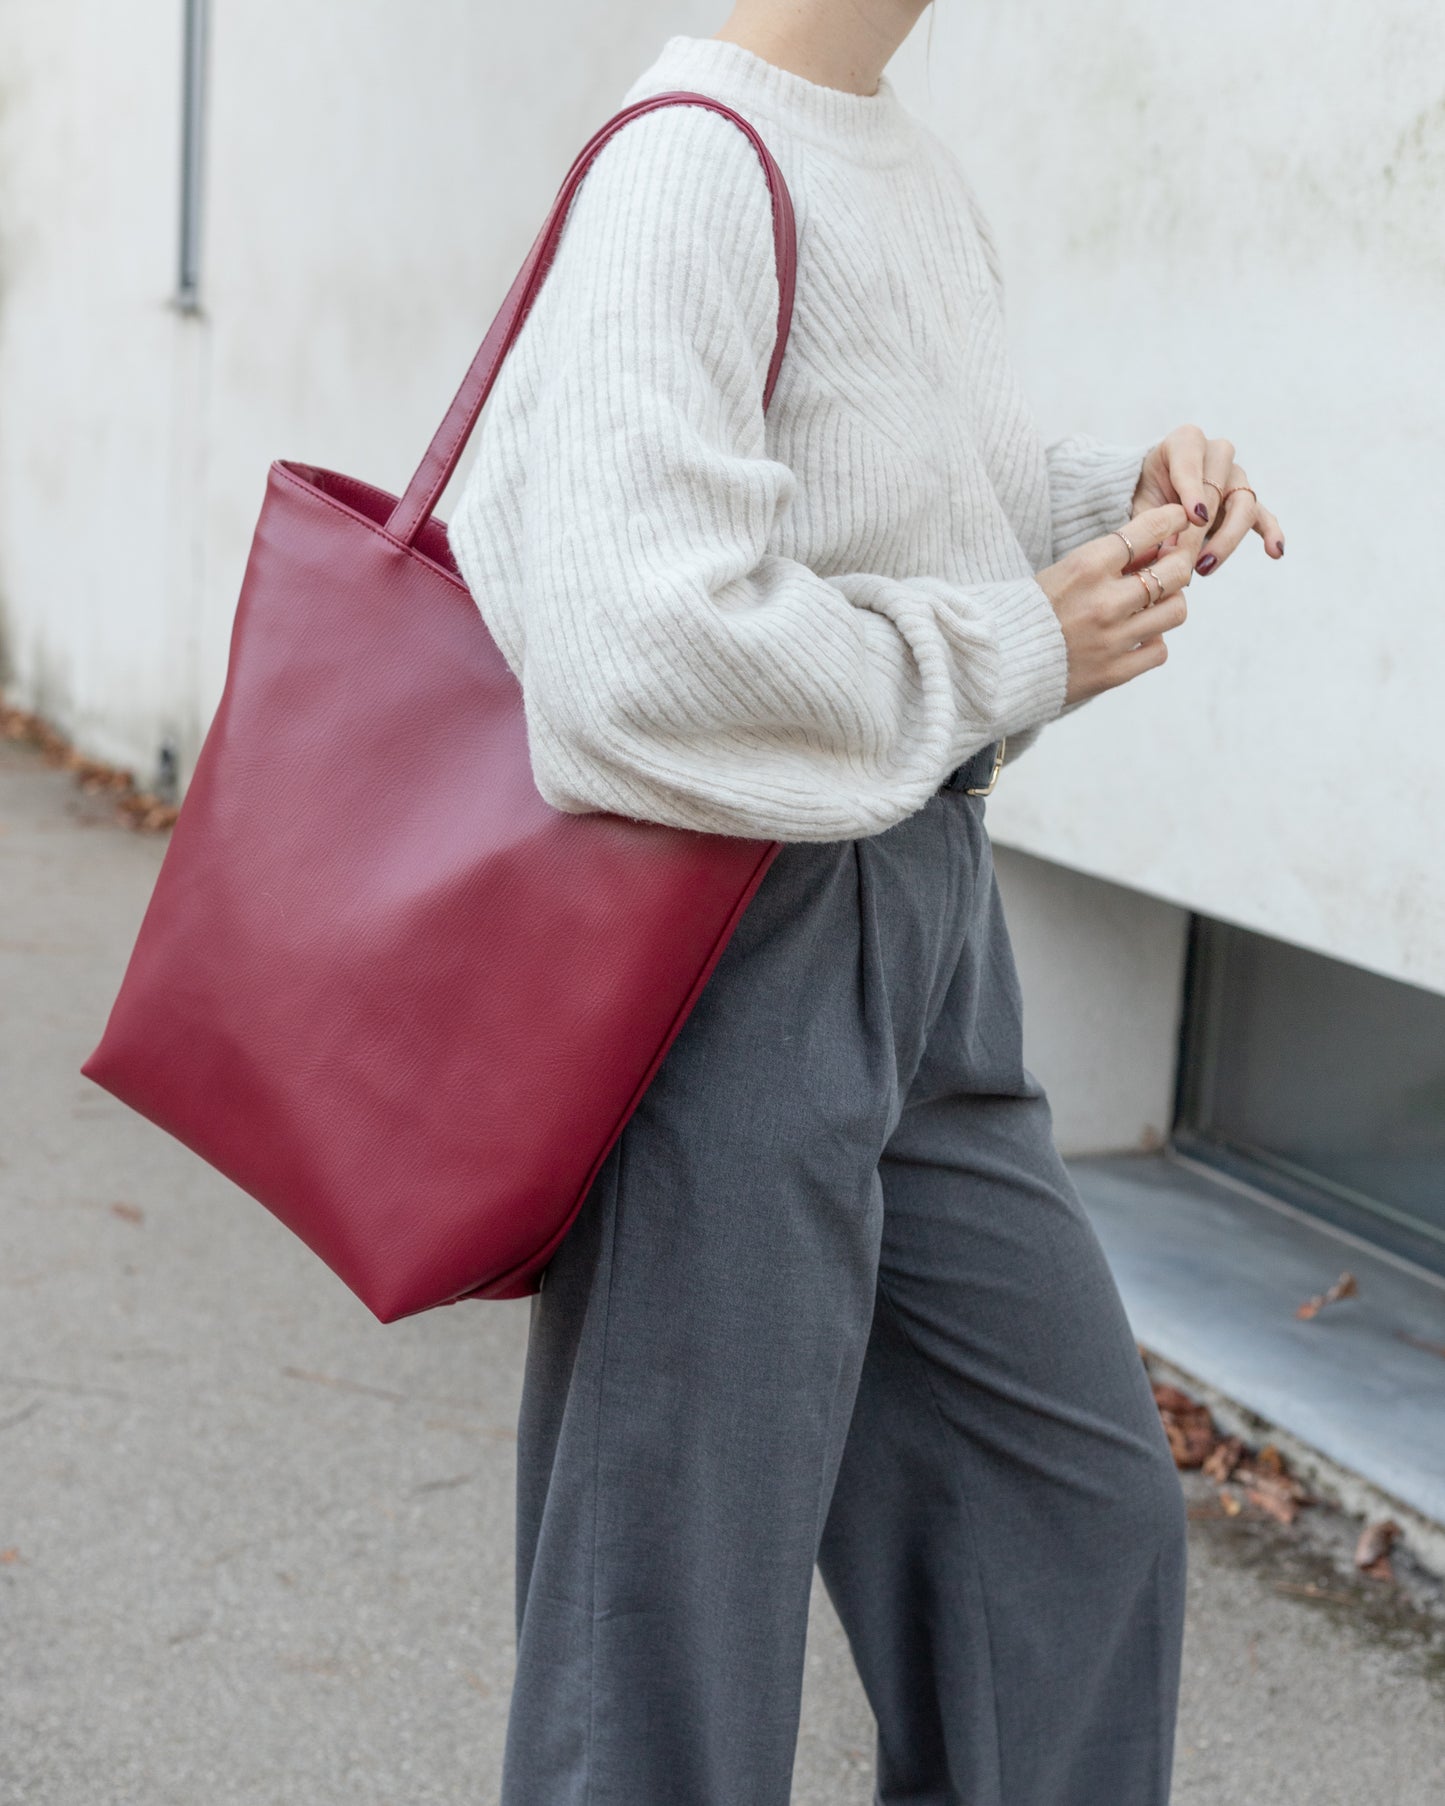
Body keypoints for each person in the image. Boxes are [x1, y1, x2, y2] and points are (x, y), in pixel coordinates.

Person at [447, 4, 1283, 1802]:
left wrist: (1106, 502)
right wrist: (1014, 646)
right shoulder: (685, 162)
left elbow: (888, 511)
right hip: (734, 940)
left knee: (1066, 1530)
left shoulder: (884, 148)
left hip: (922, 922)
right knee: (674, 1621)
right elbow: (628, 654)